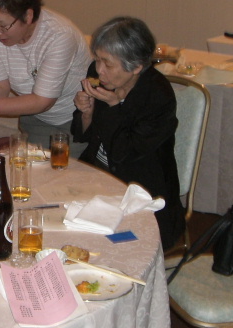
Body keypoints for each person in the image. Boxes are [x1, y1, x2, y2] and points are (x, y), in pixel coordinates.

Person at [72, 16, 184, 250]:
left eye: (108, 64)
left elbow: (125, 154)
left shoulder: (157, 97)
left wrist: (114, 107)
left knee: (107, 247)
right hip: (97, 175)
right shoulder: (100, 75)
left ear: (136, 67)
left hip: (140, 190)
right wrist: (87, 113)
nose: (99, 70)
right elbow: (84, 135)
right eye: (97, 60)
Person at [0, 0, 90, 150]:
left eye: (3, 26)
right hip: (34, 117)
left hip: (74, 120)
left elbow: (42, 101)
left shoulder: (59, 35)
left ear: (28, 15)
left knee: (62, 167)